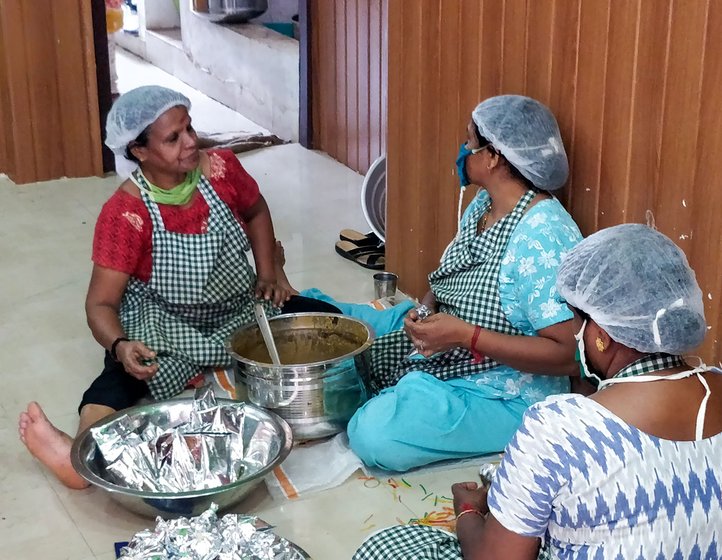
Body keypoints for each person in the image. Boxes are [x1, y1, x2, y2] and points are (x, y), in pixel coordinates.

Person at [17, 86, 338, 489]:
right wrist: (120, 346)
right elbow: (100, 305)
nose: (191, 143)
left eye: (190, 128)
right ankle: (78, 454)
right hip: (164, 322)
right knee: (126, 375)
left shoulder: (221, 170)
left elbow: (256, 211)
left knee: (325, 322)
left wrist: (268, 273)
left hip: (237, 309)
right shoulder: (126, 213)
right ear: (140, 151)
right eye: (173, 138)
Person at [354, 223, 722, 559]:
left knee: (384, 548)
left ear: (602, 338)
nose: (575, 335)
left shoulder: (557, 428)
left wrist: (467, 511)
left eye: (579, 323)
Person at [347, 95, 583, 472]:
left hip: (509, 391)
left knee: (374, 434)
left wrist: (466, 336)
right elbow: (450, 274)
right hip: (454, 348)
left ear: (493, 157)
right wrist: (425, 310)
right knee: (347, 344)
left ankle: (417, 399)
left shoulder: (544, 234)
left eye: (470, 141)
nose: (463, 150)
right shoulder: (483, 205)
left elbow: (570, 356)